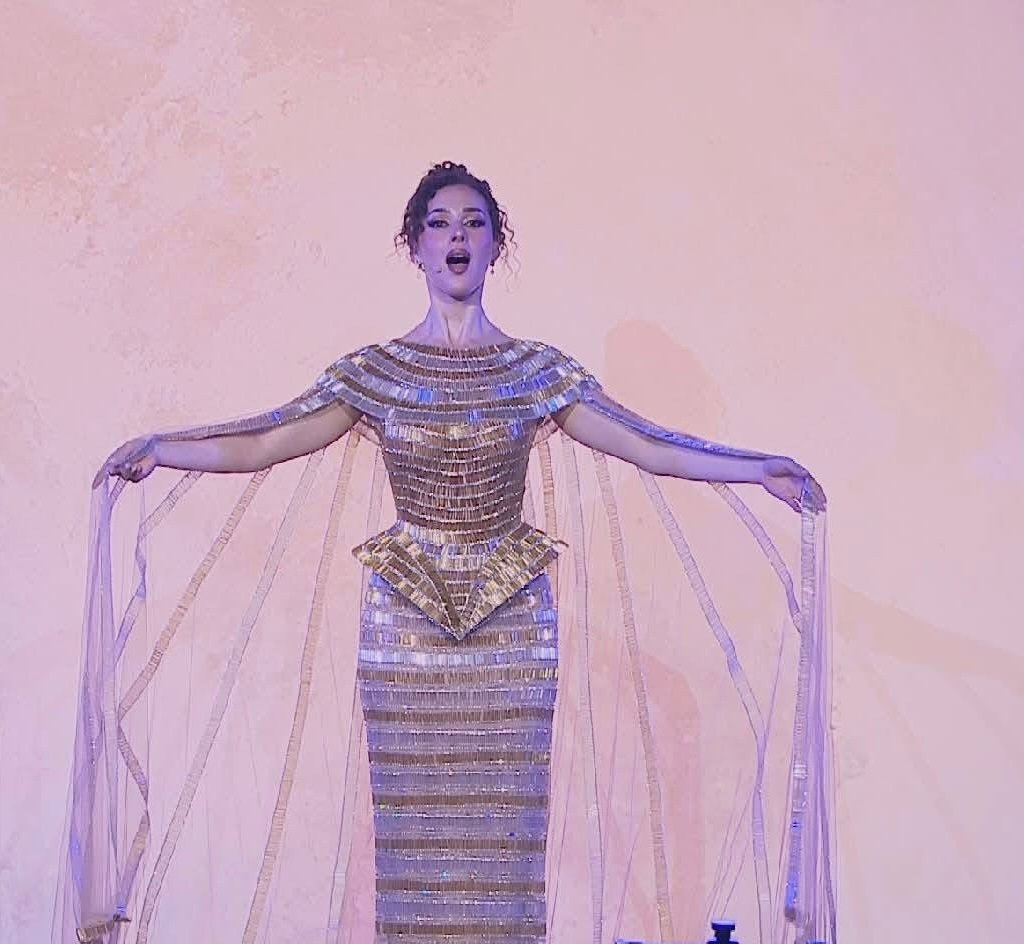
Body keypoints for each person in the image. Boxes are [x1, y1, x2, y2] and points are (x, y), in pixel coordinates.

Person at [60, 161, 835, 944]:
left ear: (497, 243)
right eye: (440, 223)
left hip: (513, 624)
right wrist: (163, 448)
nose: (457, 236)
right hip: (404, 625)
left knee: (505, 846)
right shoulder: (377, 372)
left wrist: (755, 468)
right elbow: (265, 441)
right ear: (416, 245)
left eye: (473, 222)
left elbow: (648, 445)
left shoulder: (535, 371)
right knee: (412, 846)